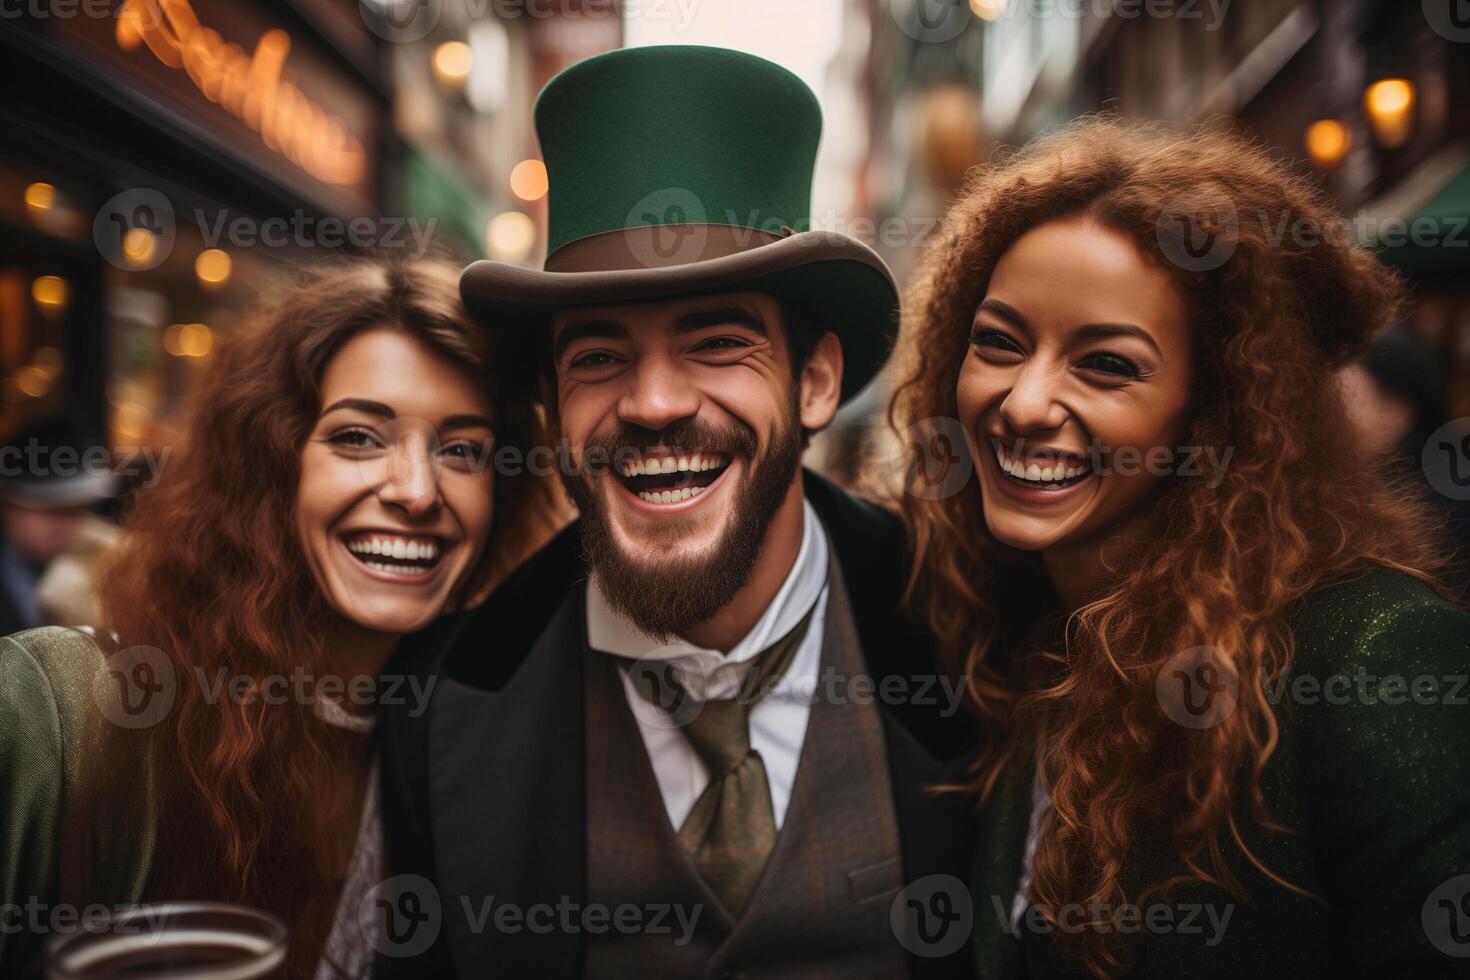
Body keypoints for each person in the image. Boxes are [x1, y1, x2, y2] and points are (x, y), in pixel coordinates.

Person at [378, 46, 977, 979]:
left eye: (718, 341)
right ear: (552, 409)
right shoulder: (438, 699)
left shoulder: (978, 641)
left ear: (813, 380)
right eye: (598, 356)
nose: (654, 404)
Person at [888, 118, 1470, 978]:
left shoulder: (1372, 655)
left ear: (1214, 412)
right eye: (1000, 344)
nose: (1022, 402)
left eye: (1107, 365)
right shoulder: (1023, 639)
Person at [0, 257, 556, 978]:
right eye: (358, 437)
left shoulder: (458, 755)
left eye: (463, 450)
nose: (417, 491)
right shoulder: (58, 709)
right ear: (270, 463)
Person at [0, 415, 119, 634]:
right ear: (7, 505)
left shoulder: (99, 564)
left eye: (78, 511)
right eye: (53, 512)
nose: (68, 526)